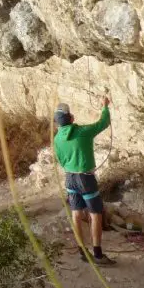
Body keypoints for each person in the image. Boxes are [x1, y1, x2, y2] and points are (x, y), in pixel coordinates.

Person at [54, 98, 115, 266]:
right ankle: (97, 254)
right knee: (96, 214)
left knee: (76, 214)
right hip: (85, 178)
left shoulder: (57, 138)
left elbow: (60, 160)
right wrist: (105, 107)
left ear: (57, 122)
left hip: (70, 178)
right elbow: (103, 123)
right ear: (71, 118)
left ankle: (82, 252)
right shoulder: (83, 132)